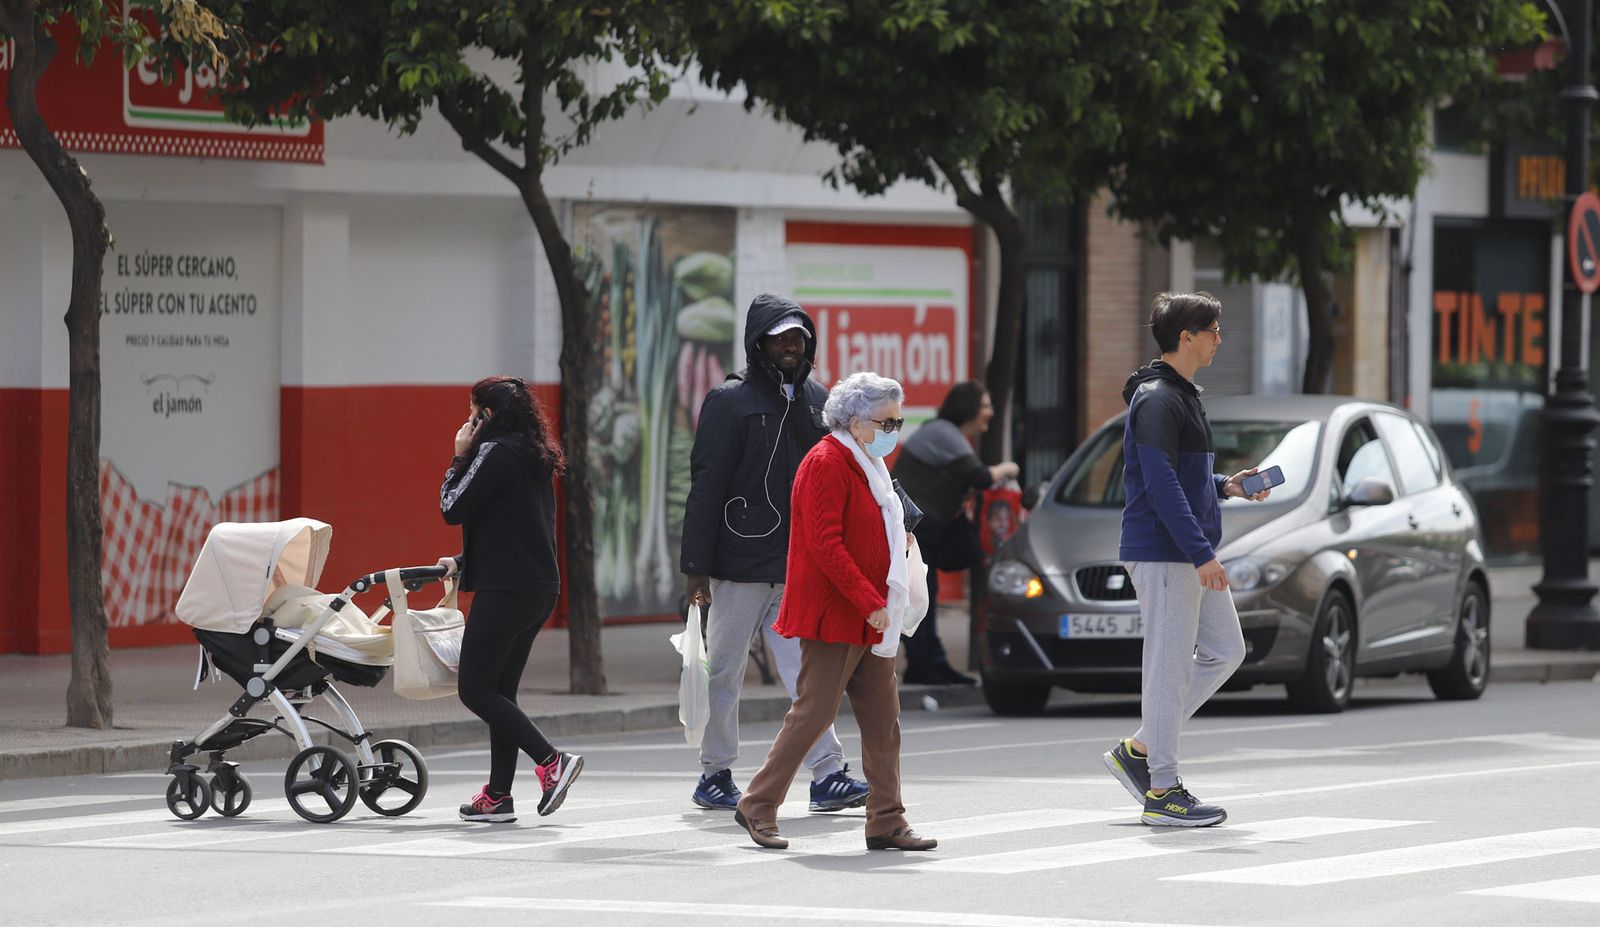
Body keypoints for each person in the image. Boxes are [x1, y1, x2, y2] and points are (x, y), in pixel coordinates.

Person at [680, 294, 870, 813]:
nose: (791, 346)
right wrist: (695, 569)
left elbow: (850, 466)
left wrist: (900, 516)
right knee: (723, 672)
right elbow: (705, 485)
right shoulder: (729, 400)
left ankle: (828, 774)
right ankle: (715, 774)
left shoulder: (818, 399)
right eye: (780, 337)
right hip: (738, 567)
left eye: (799, 338)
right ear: (758, 342)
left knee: (806, 676)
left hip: (796, 567)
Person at [734, 372, 937, 852]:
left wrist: (894, 552)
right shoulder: (826, 461)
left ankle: (887, 818)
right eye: (884, 420)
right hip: (838, 612)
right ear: (852, 420)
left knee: (883, 720)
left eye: (897, 419)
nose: (894, 428)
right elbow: (825, 545)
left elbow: (875, 527)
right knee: (813, 713)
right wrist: (869, 602)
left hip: (873, 615)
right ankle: (758, 804)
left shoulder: (870, 463)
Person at [1101, 293, 1271, 828]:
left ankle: (1143, 748)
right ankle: (1162, 790)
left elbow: (1183, 477)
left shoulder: (1179, 395)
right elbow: (1158, 483)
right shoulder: (1156, 398)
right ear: (1187, 338)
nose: (1221, 338)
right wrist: (1200, 553)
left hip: (1182, 549)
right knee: (1169, 666)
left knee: (1225, 650)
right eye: (1213, 329)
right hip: (1166, 552)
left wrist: (1227, 485)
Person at [437, 375, 583, 823]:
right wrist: (467, 558)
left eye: (473, 412)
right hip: (538, 588)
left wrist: (458, 458)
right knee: (501, 693)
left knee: (475, 689)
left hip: (506, 590)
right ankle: (498, 796)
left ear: (488, 416)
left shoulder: (491, 453)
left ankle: (551, 760)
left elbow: (451, 506)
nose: (467, 420)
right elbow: (514, 526)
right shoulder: (533, 454)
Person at [892, 382, 1020, 685]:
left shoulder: (944, 433)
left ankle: (928, 660)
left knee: (925, 594)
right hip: (914, 530)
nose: (991, 411)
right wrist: (1009, 468)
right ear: (970, 408)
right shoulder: (943, 433)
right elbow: (980, 476)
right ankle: (924, 662)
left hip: (922, 528)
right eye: (986, 405)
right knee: (921, 595)